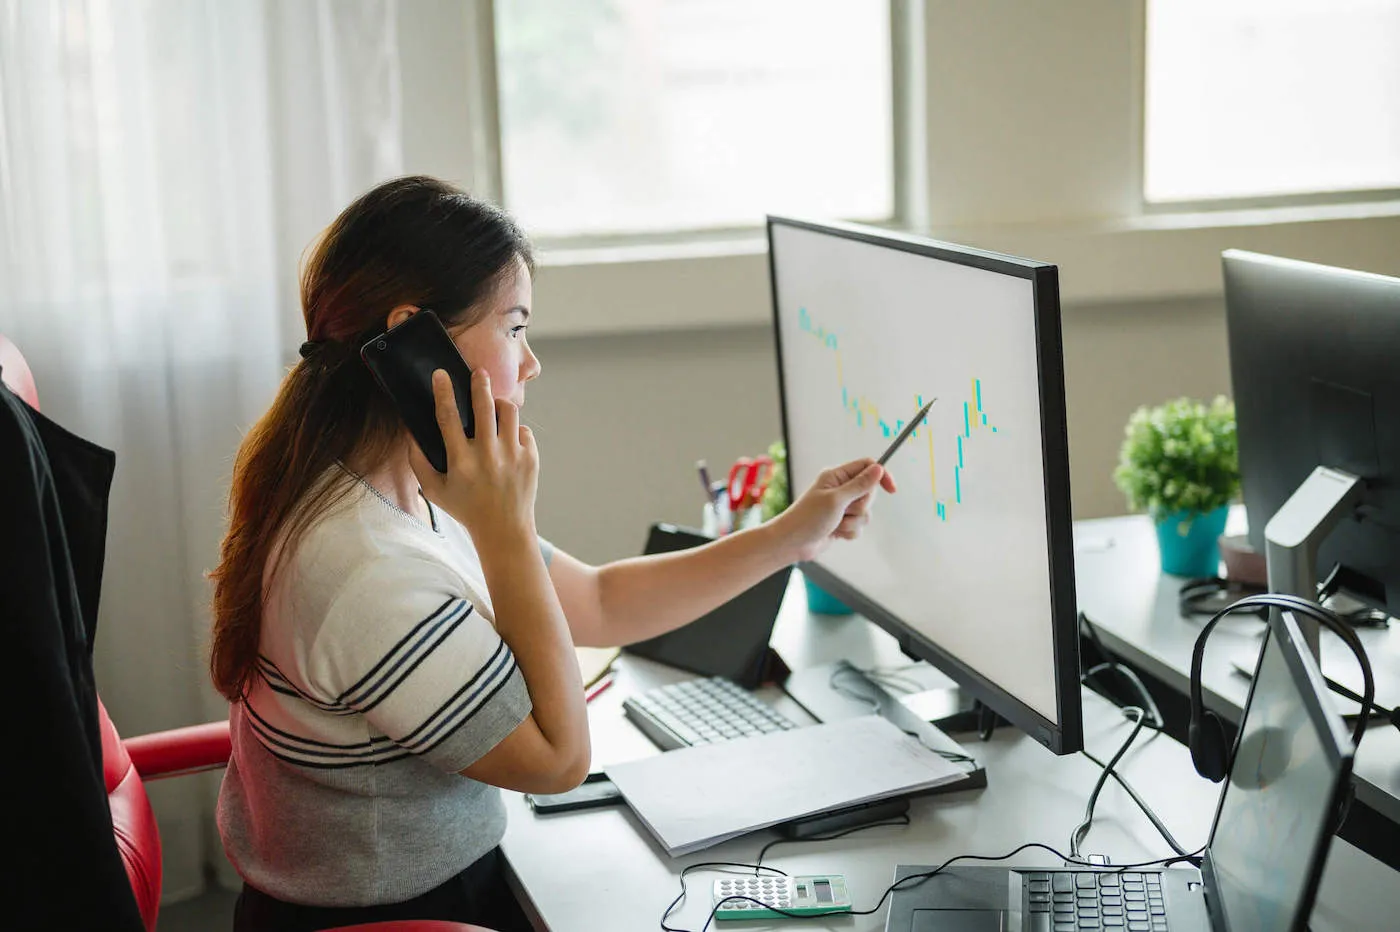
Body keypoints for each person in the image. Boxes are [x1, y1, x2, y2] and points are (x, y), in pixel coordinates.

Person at [208, 175, 897, 931]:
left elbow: (599, 601)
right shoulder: (364, 571)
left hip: (443, 890)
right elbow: (559, 762)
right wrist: (505, 528)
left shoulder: (402, 486)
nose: (531, 363)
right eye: (514, 327)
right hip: (402, 918)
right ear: (414, 338)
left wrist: (791, 535)